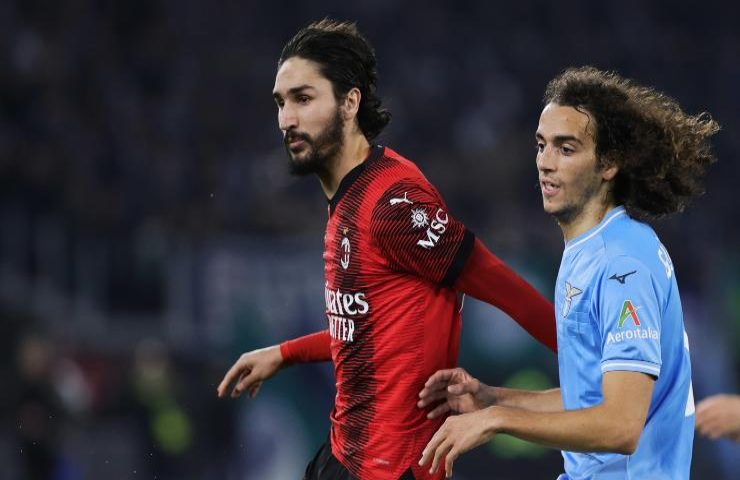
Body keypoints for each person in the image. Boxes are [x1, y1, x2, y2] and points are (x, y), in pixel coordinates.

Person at [216, 19, 557, 480]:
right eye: (281, 103)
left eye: (303, 98)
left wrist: (595, 366)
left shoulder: (392, 204)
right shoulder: (346, 198)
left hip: (396, 469)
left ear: (350, 102)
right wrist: (284, 353)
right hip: (344, 455)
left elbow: (504, 288)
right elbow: (366, 333)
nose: (286, 119)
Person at [418, 66, 719, 479]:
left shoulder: (623, 265)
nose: (545, 163)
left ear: (609, 163)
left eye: (566, 148)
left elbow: (620, 424)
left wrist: (498, 420)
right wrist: (491, 400)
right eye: (541, 145)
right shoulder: (588, 251)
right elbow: (589, 398)